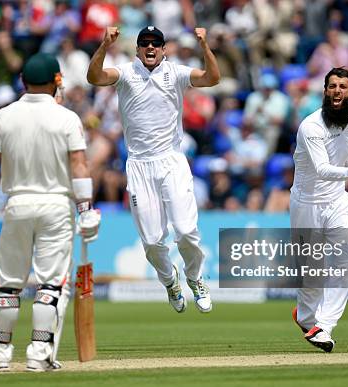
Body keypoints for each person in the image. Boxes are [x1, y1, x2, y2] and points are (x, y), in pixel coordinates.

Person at [0, 53, 101, 372]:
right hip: (57, 206)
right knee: (50, 284)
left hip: (18, 204)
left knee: (8, 283)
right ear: (57, 80)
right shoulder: (66, 117)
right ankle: (39, 354)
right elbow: (79, 165)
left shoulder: (5, 115)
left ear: (23, 82)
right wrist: (86, 209)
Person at [87, 25, 220, 313]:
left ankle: (195, 279)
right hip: (139, 165)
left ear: (164, 49)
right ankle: (170, 280)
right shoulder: (125, 72)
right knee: (151, 241)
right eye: (144, 43)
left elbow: (212, 78)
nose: (150, 48)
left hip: (171, 160)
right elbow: (95, 77)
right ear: (137, 49)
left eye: (155, 44)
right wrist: (105, 45)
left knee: (185, 230)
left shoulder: (176, 72)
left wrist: (204, 45)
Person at [290, 67, 348, 352]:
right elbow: (323, 169)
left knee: (346, 258)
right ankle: (306, 318)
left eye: (343, 86)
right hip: (306, 205)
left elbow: (336, 169)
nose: (337, 91)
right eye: (332, 86)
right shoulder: (311, 127)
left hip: (338, 202)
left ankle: (325, 325)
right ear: (325, 91)